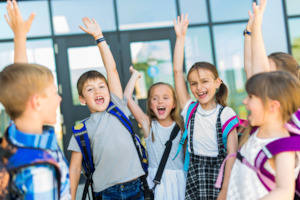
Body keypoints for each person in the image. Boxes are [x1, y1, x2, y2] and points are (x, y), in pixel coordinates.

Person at [67, 17, 145, 200]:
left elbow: (112, 70)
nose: (97, 91)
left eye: (102, 86)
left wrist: (99, 37)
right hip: (107, 193)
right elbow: (75, 168)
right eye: (90, 89)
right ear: (82, 99)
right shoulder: (81, 130)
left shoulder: (117, 106)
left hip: (136, 187)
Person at [0, 0, 71, 199]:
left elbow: (20, 86)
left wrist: (20, 37)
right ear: (36, 102)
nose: (59, 99)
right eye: (53, 93)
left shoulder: (14, 138)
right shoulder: (39, 171)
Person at [172, 14, 238, 200]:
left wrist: (225, 190)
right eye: (193, 83)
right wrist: (180, 38)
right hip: (195, 171)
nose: (199, 88)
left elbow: (232, 155)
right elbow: (177, 71)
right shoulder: (190, 108)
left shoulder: (225, 114)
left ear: (217, 83)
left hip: (220, 173)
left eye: (204, 81)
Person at [226, 71, 300, 200]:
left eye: (251, 96)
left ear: (272, 106)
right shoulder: (257, 131)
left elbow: (285, 191)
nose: (244, 100)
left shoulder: (283, 147)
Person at [124, 66, 186, 200]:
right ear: (150, 105)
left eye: (165, 97)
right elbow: (127, 98)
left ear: (174, 103)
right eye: (155, 98)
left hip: (180, 181)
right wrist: (135, 75)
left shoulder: (182, 126)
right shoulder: (149, 125)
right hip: (157, 182)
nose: (160, 101)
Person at [244, 0, 300, 79]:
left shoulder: (265, 89)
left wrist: (256, 26)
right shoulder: (258, 87)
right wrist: (249, 31)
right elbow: (249, 67)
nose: (258, 68)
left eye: (266, 70)